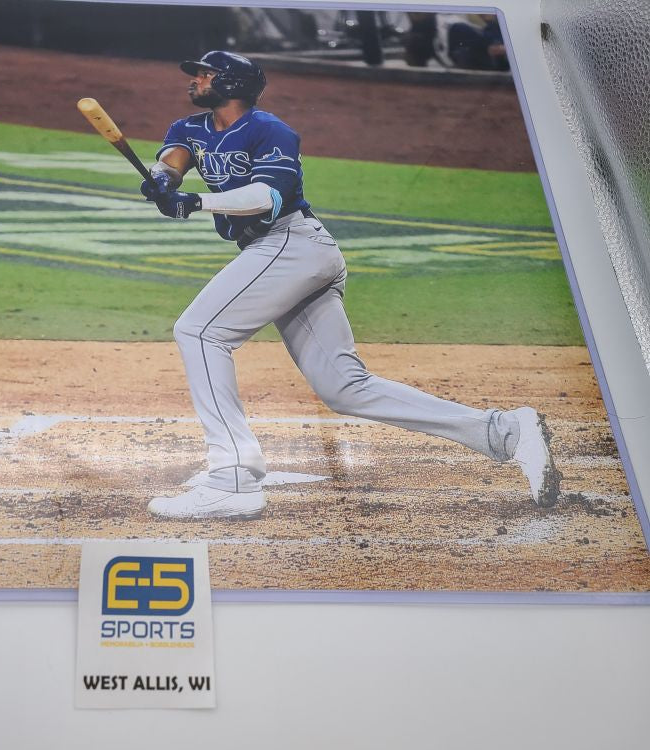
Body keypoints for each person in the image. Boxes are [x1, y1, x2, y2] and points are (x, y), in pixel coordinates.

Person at [139, 51, 559, 520]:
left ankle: (233, 478)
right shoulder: (190, 127)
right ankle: (503, 431)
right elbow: (173, 160)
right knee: (345, 388)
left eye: (204, 73)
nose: (195, 80)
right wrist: (162, 181)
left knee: (200, 331)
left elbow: (267, 196)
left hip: (290, 244)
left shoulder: (269, 130)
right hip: (289, 257)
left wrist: (197, 202)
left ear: (232, 82)